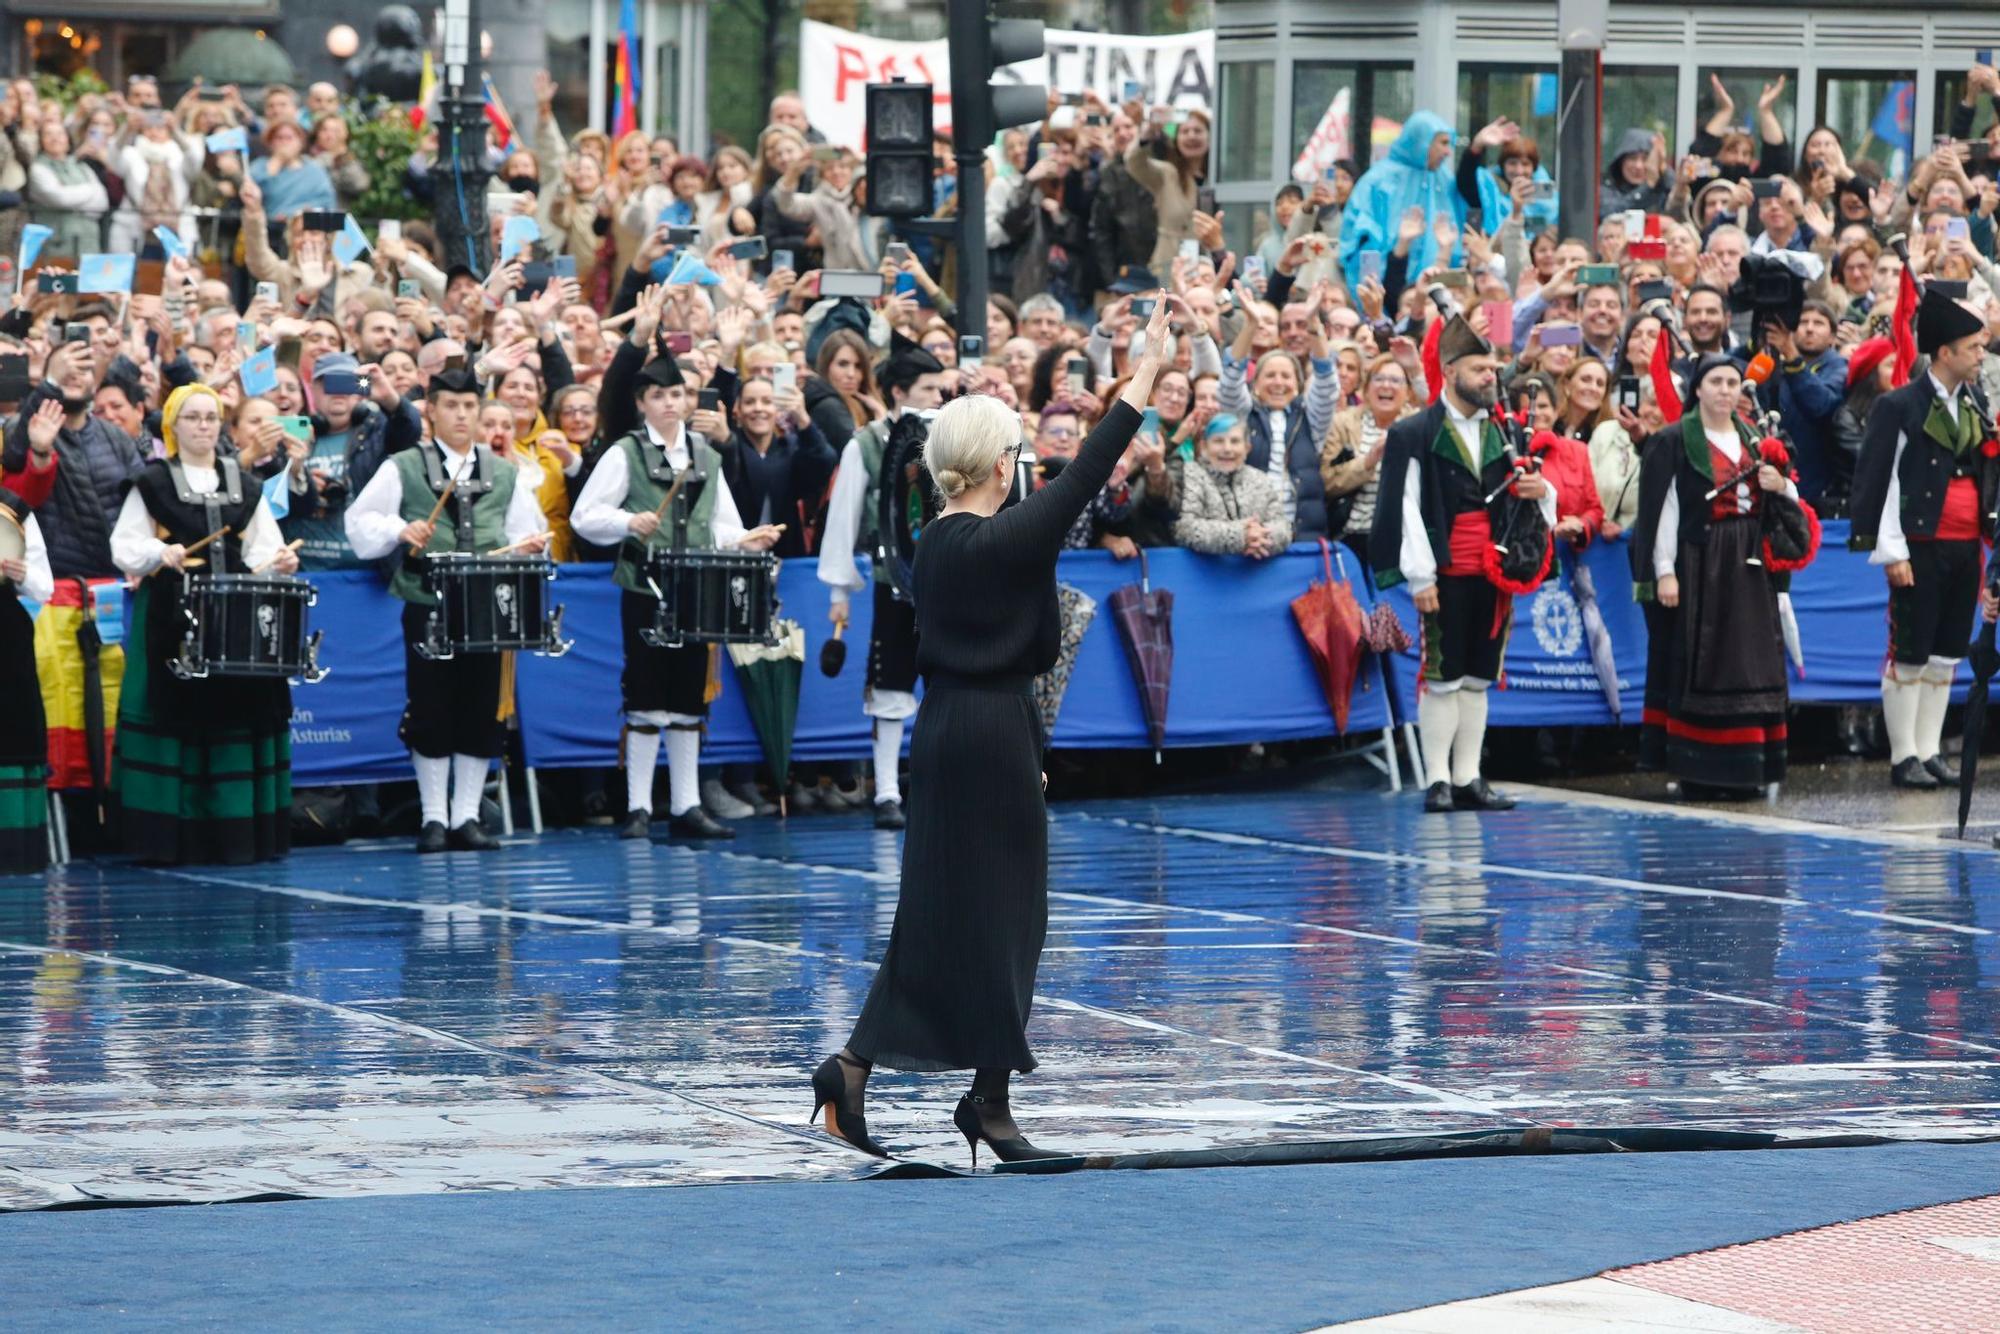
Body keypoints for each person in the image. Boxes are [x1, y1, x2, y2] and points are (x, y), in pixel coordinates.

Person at [811, 297, 1173, 1165]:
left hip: (961, 727)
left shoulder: (937, 538)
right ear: (998, 461)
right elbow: (1085, 476)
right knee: (1008, 917)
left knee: (949, 913)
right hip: (988, 729)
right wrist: (1148, 374)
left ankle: (869, 1070)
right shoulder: (997, 541)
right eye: (1016, 453)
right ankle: (982, 1101)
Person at [570, 355, 785, 841]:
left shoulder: (706, 455)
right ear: (642, 403)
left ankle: (687, 804)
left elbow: (721, 524)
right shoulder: (625, 452)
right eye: (659, 396)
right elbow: (586, 515)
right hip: (646, 588)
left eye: (677, 395)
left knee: (689, 698)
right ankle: (639, 807)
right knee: (646, 695)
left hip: (698, 589)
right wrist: (627, 521)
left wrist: (748, 539)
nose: (670, 404)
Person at [343, 367, 551, 853]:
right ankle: (434, 817)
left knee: (482, 711)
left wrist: (528, 546)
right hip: (427, 601)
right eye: (451, 406)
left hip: (488, 607)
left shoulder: (503, 472)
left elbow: (527, 529)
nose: (461, 415)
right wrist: (400, 530)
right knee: (432, 707)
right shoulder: (404, 465)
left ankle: (467, 817)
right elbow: (360, 523)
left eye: (469, 406)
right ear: (431, 411)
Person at [1369, 315, 1555, 813]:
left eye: (1493, 369)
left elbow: (1531, 495)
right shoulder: (1414, 432)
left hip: (1494, 570)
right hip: (1444, 570)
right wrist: (1421, 575)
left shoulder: (1507, 430)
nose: (1490, 377)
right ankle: (1437, 780)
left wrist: (1543, 491)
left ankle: (1469, 776)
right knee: (1442, 675)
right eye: (1479, 369)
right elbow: (1405, 505)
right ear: (1449, 372)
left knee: (1478, 677)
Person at [110, 384, 300, 865]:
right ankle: (172, 840)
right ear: (173, 426)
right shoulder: (152, 482)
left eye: (211, 417)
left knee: (236, 715)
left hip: (235, 615)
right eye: (192, 418)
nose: (202, 426)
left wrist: (276, 562)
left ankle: (235, 837)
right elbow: (123, 545)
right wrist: (159, 551)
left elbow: (260, 546)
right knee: (178, 713)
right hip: (173, 615)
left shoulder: (244, 482)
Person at [1632, 354, 1810, 797]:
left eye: (1732, 381)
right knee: (1704, 659)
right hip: (1701, 560)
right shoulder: (1674, 441)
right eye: (1715, 381)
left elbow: (1788, 495)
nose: (1725, 390)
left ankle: (1748, 770)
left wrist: (1780, 485)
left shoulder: (1755, 439)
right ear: (1698, 389)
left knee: (1749, 662)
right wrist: (1664, 572)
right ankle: (1701, 771)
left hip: (1749, 565)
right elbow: (1664, 510)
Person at [1850, 288, 1997, 789]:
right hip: (1919, 543)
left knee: (1946, 651)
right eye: (1973, 347)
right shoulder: (1899, 405)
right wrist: (1891, 548)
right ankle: (1903, 754)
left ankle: (1930, 750)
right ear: (1945, 352)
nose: (1982, 355)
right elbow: (1879, 478)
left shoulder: (1975, 402)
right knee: (1910, 651)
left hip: (1964, 545)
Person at [817, 335, 947, 830]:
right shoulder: (866, 444)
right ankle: (888, 791)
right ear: (898, 392)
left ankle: (940, 787)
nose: (939, 396)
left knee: (948, 686)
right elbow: (844, 519)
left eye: (941, 387)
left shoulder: (952, 438)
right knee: (890, 685)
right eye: (929, 388)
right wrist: (838, 590)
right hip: (893, 579)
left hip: (945, 583)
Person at [1337, 112, 1463, 291]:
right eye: (1443, 143)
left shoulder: (1442, 178)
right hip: (1385, 290)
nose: (1448, 152)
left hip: (1436, 290)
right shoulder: (1378, 180)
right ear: (1421, 141)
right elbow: (1357, 236)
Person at [0, 484, 52, 873]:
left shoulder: (14, 508)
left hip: (5, 634)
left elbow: (43, 586)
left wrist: (21, 572)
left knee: (12, 733)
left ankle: (13, 850)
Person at [1174, 413, 1292, 555]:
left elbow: (1283, 527)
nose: (1227, 449)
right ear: (1204, 446)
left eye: (1235, 441)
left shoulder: (1260, 480)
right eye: (1218, 441)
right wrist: (1240, 536)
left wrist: (1259, 538)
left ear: (1247, 448)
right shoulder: (1190, 474)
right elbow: (1184, 528)